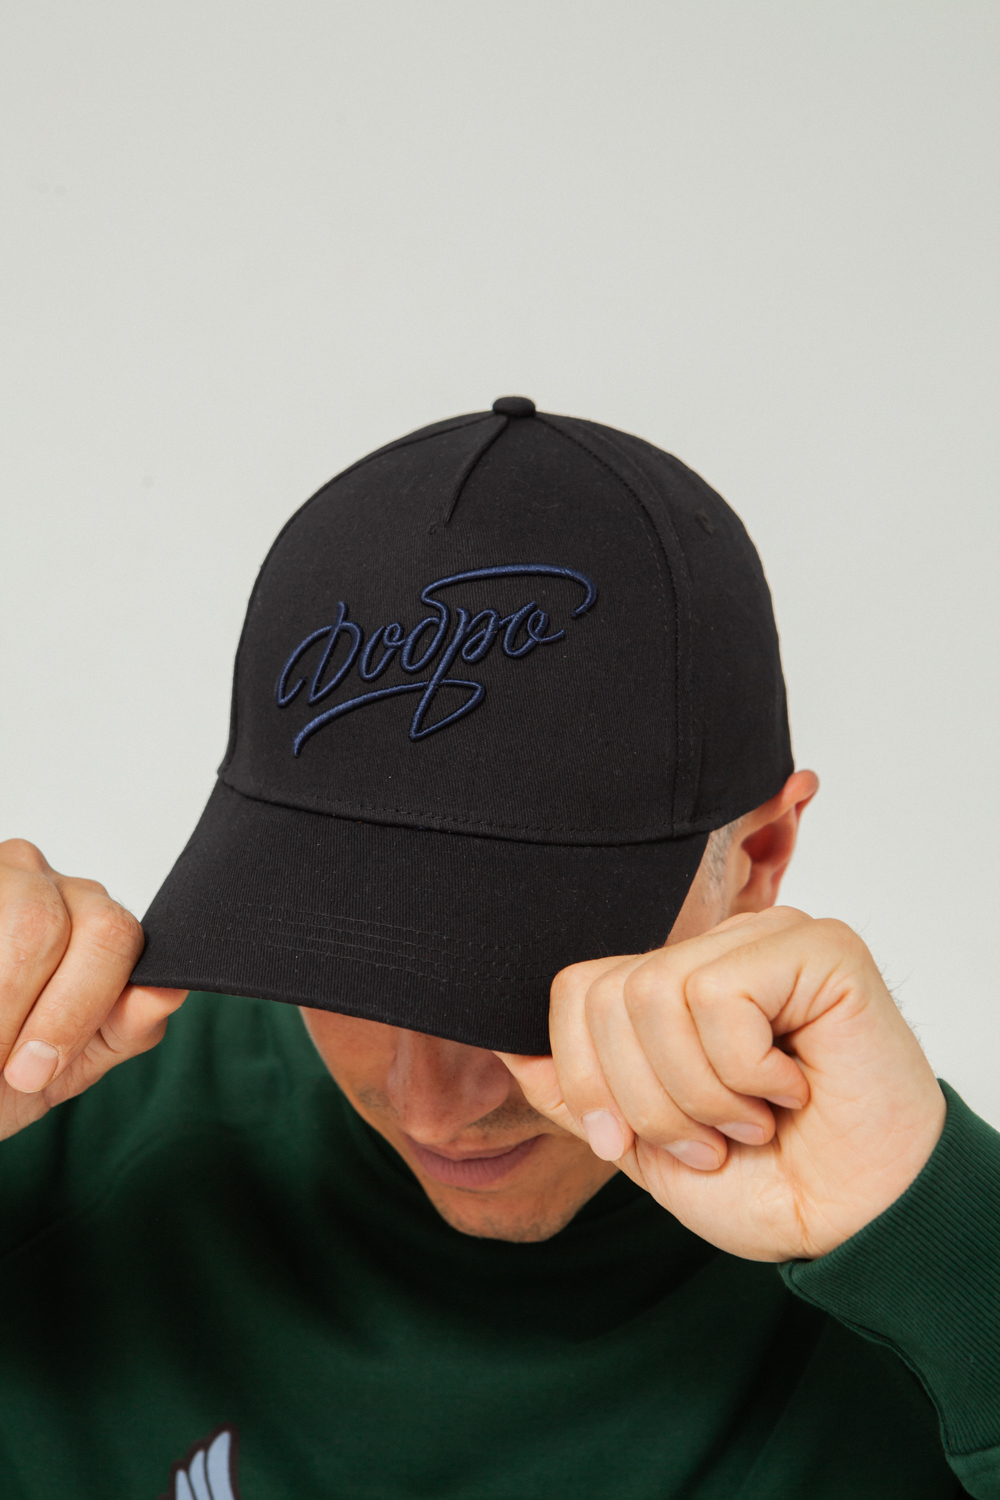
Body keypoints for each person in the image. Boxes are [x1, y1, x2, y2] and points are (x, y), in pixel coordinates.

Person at [0, 398, 996, 1500]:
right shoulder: (53, 1124)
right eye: (344, 957)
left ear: (755, 856)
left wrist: (952, 1245)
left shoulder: (913, 1262)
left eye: (518, 976)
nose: (431, 1103)